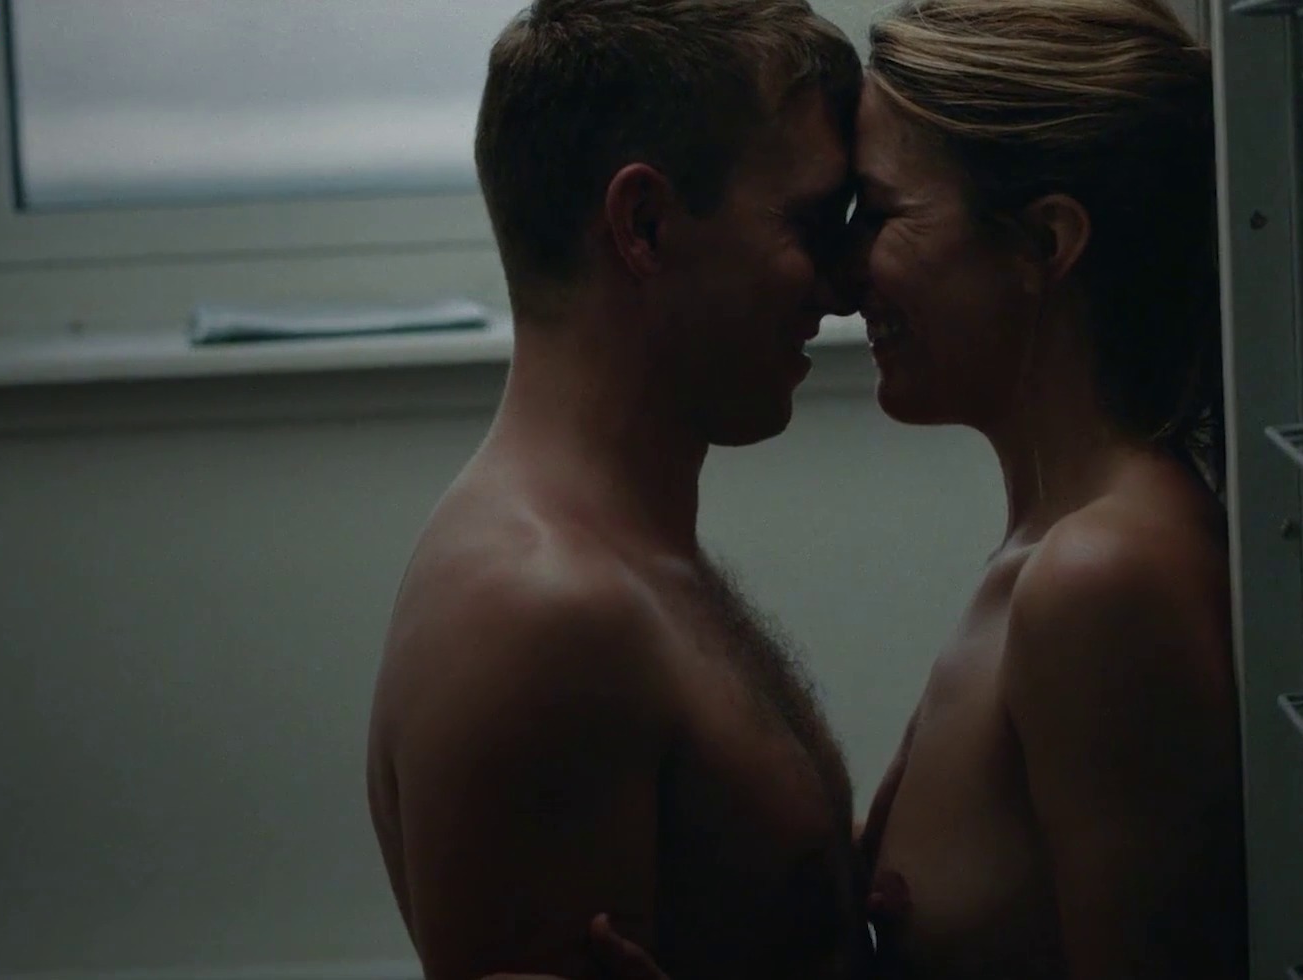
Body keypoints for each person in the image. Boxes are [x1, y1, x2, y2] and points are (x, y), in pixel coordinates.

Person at [362, 1, 867, 978]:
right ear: (644, 224)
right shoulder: (543, 614)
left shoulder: (618, 563)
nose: (843, 287)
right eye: (810, 223)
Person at [846, 0, 1247, 977]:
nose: (845, 273)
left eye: (882, 213)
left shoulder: (1102, 579)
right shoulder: (1054, 548)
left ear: (1044, 242)